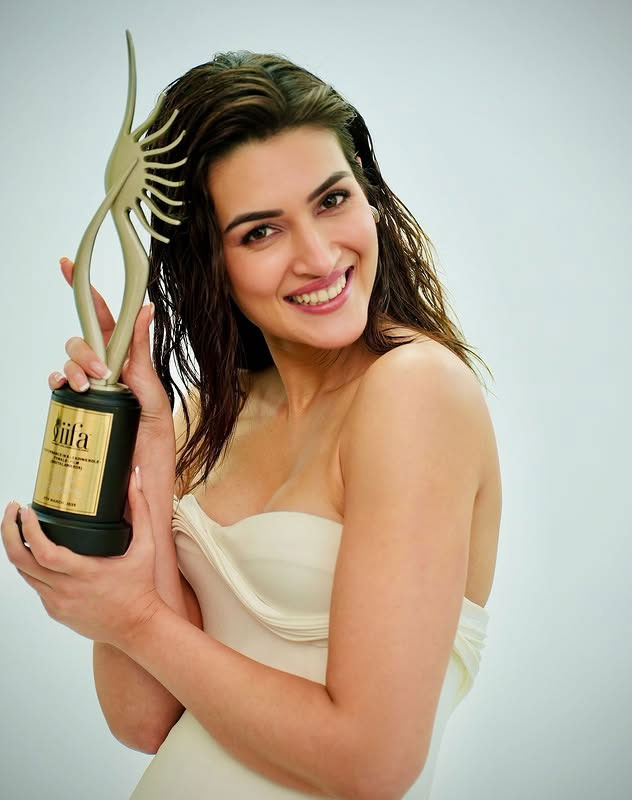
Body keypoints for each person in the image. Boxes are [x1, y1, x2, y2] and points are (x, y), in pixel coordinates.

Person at [2, 51, 501, 799]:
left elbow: (372, 764)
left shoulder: (414, 390)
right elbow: (143, 719)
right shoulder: (207, 419)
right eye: (261, 232)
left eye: (332, 200)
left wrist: (132, 618)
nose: (319, 256)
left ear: (369, 198)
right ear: (210, 262)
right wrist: (145, 456)